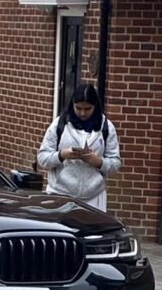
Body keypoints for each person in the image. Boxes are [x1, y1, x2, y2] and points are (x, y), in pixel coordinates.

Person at [35, 82, 121, 212]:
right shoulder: (60, 124)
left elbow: (115, 163)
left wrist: (98, 162)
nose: (82, 113)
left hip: (94, 197)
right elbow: (42, 158)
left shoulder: (106, 127)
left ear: (95, 106)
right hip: (60, 193)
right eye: (78, 108)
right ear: (72, 105)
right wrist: (62, 155)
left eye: (87, 109)